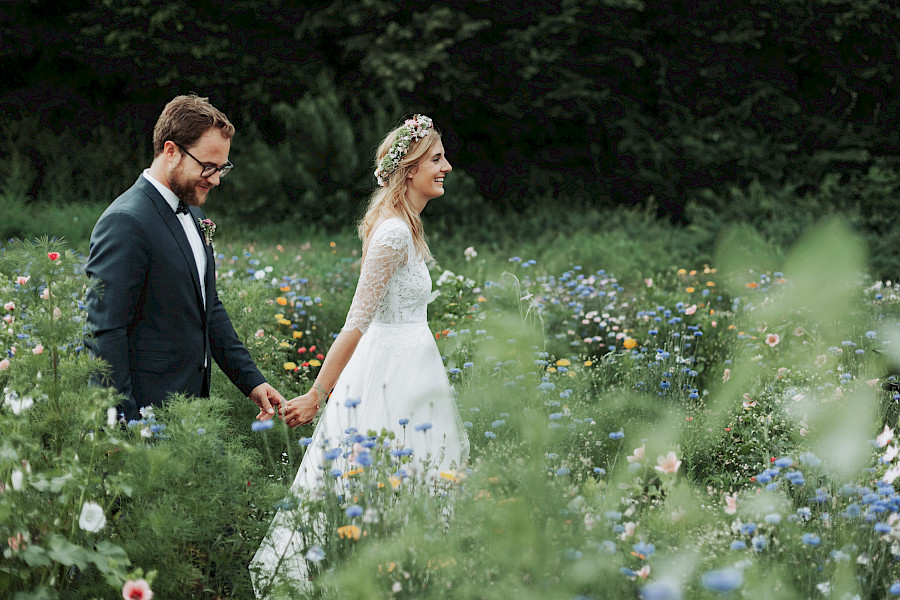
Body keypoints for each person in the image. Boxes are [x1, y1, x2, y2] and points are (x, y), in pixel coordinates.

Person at [250, 115, 470, 594]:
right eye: (436, 159)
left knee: (411, 485)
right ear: (408, 170)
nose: (447, 167)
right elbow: (356, 321)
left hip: (414, 366)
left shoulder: (407, 228)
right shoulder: (392, 233)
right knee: (382, 487)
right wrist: (317, 394)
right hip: (390, 375)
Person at [85, 94, 284, 424]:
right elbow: (104, 332)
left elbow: (209, 306)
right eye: (208, 166)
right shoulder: (126, 221)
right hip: (147, 416)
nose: (216, 179)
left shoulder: (193, 212)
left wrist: (252, 381)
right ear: (171, 151)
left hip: (189, 412)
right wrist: (122, 424)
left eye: (222, 168)